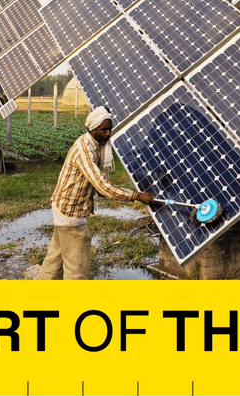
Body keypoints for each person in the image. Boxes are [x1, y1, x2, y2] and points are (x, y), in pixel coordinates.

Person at [37, 106, 155, 280]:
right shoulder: (84, 151)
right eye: (104, 129)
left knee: (54, 262)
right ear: (93, 129)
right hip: (70, 214)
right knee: (77, 270)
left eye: (109, 129)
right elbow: (102, 187)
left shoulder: (93, 145)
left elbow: (99, 184)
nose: (108, 134)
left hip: (64, 209)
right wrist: (136, 196)